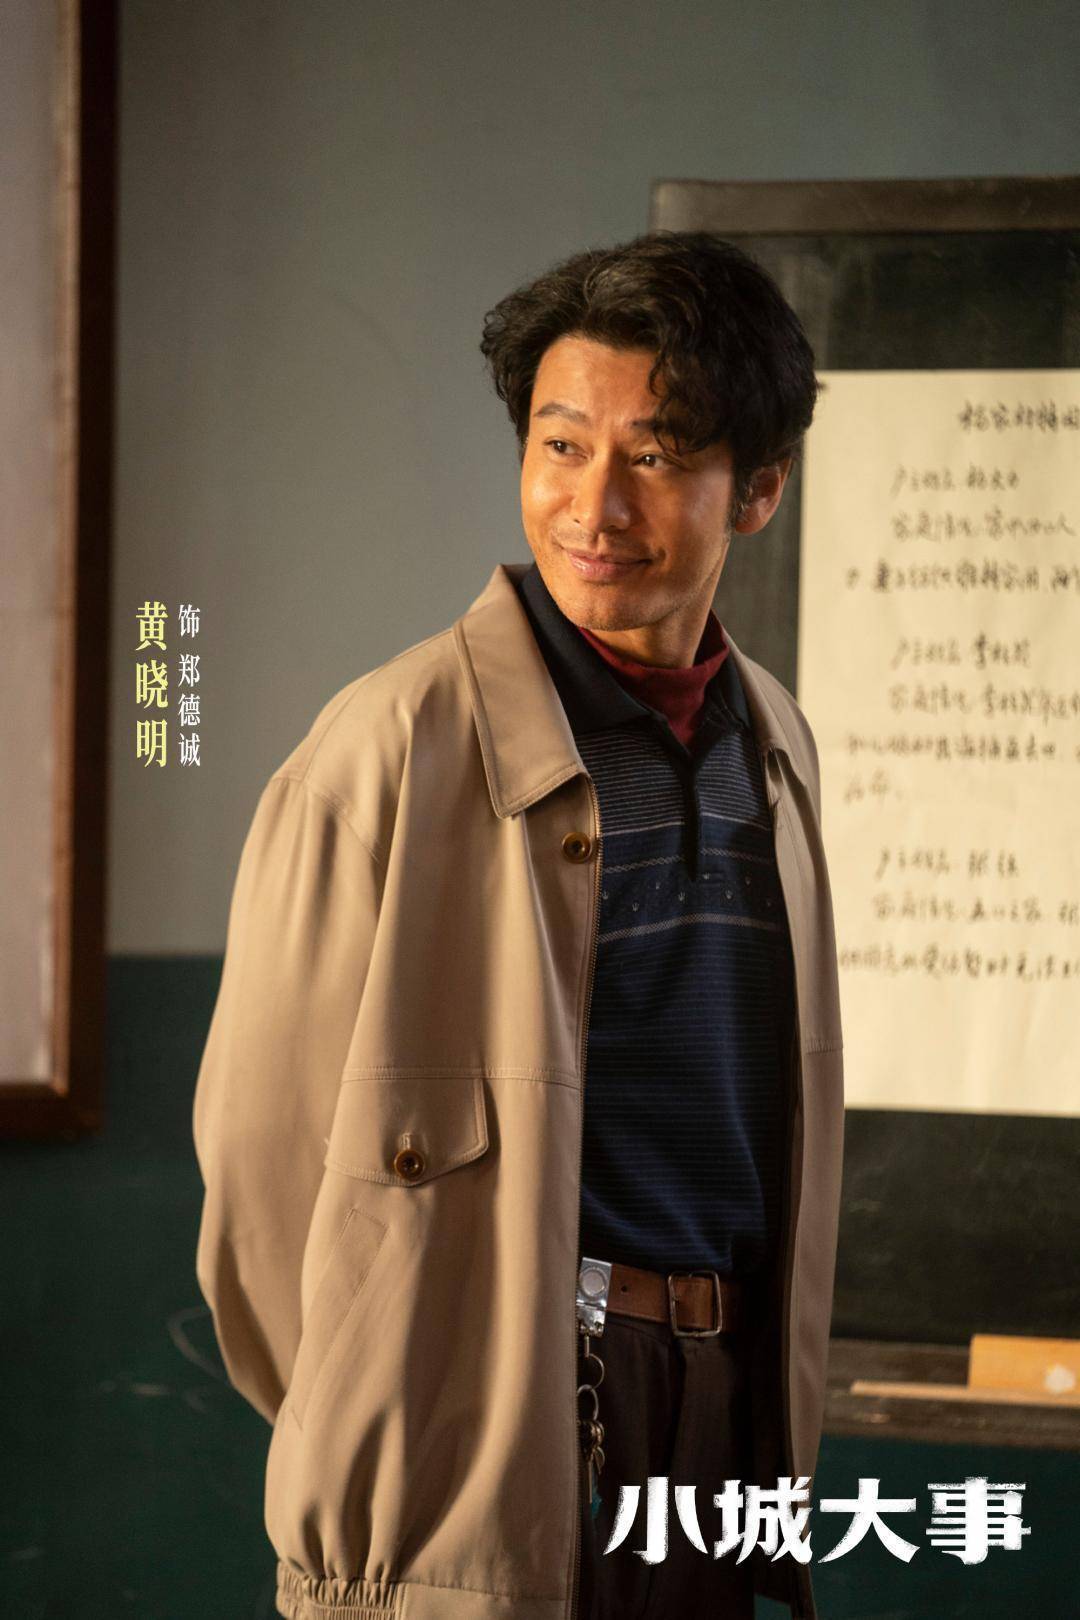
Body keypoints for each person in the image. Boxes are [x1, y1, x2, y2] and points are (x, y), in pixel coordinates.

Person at [193, 231, 844, 1620]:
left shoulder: (774, 744)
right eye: (560, 446)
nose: (593, 505)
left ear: (760, 489)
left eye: (656, 455)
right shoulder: (387, 747)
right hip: (475, 1437)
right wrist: (390, 1425)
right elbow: (259, 1182)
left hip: (717, 1420)